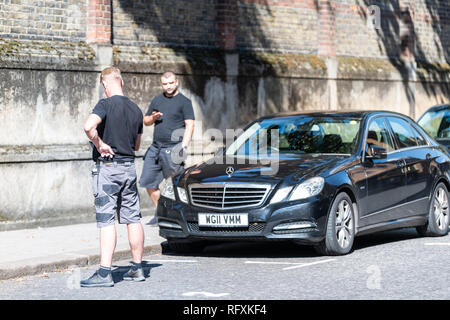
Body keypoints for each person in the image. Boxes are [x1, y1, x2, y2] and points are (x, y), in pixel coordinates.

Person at [81, 67, 145, 287]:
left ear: (105, 84)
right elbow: (136, 145)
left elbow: (88, 126)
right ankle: (137, 269)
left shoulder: (105, 104)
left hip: (108, 169)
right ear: (122, 82)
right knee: (133, 218)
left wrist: (100, 144)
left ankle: (104, 272)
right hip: (129, 168)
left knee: (107, 220)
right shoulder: (136, 109)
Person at [140, 72, 195, 223]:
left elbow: (190, 124)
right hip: (155, 148)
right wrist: (153, 118)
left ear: (176, 82)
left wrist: (183, 146)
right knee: (147, 181)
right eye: (165, 84)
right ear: (161, 84)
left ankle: (179, 216)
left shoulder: (184, 101)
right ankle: (162, 213)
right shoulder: (157, 100)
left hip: (173, 148)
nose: (168, 86)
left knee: (176, 185)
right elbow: (146, 121)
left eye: (171, 83)